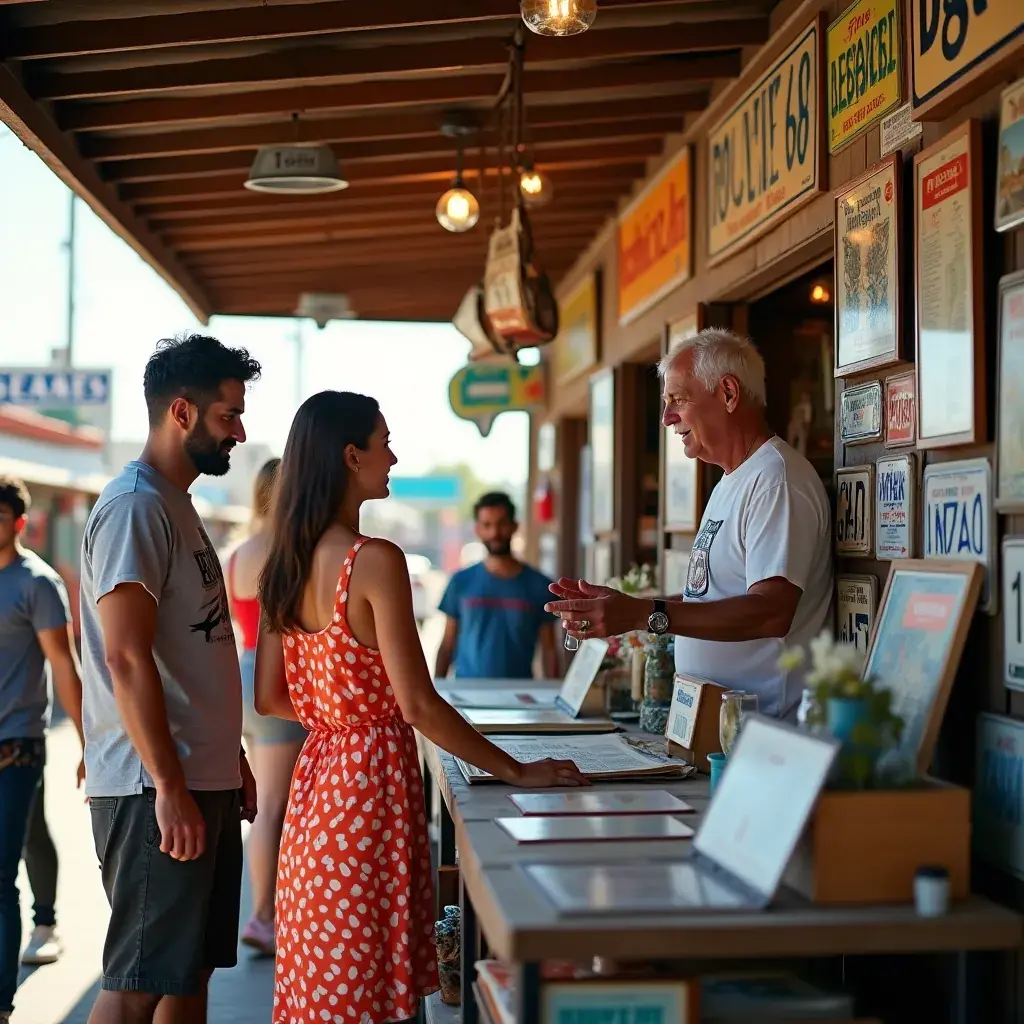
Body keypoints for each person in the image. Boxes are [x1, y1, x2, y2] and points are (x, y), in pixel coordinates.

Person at [256, 391, 587, 1024]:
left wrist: (339, 715)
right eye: (384, 443)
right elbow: (419, 704)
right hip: (368, 798)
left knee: (329, 990)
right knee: (377, 995)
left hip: (315, 802)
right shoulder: (373, 560)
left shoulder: (285, 563)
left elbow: (271, 697)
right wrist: (516, 770)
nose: (393, 456)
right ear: (351, 457)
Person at [80, 334, 261, 1024]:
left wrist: (229, 757)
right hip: (153, 787)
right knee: (137, 986)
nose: (239, 432)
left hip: (196, 777)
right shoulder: (135, 507)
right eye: (227, 416)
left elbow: (190, 651)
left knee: (187, 978)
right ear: (180, 413)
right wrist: (171, 785)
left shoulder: (175, 503)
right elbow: (124, 657)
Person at [547, 328, 833, 719]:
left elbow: (771, 611)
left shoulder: (775, 479)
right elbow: (710, 599)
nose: (666, 418)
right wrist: (629, 608)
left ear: (728, 393)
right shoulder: (733, 480)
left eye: (678, 400)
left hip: (765, 732)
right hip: (720, 728)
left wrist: (641, 614)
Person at [0, 477, 85, 1024]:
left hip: (18, 746)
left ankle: (2, 1004)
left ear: (18, 523)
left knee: (1, 872)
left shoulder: (38, 583)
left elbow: (64, 666)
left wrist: (87, 742)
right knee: (28, 834)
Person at [225, 457, 306, 958]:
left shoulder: (236, 554)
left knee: (263, 802)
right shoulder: (289, 553)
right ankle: (261, 915)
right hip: (279, 678)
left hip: (242, 671)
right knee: (273, 805)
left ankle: (264, 910)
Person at [434, 492, 559, 680]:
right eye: (487, 525)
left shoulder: (540, 585)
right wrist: (438, 690)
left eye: (502, 524)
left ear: (514, 526)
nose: (495, 533)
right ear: (478, 529)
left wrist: (553, 695)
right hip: (466, 694)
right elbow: (447, 644)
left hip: (519, 696)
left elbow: (549, 649)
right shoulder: (460, 581)